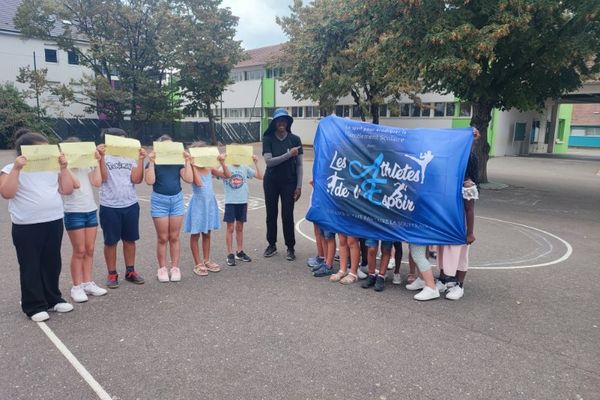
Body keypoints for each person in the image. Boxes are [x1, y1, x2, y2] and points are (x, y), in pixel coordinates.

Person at [0, 130, 76, 322]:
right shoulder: (10, 168)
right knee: (30, 265)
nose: (45, 153)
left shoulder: (52, 167)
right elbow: (7, 193)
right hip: (26, 224)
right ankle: (33, 305)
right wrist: (17, 169)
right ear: (24, 152)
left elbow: (66, 189)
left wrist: (64, 168)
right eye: (40, 150)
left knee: (52, 262)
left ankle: (53, 299)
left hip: (53, 220)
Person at [98, 128, 146, 289]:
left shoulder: (131, 156)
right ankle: (112, 273)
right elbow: (103, 178)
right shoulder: (102, 156)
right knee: (111, 241)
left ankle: (130, 271)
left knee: (130, 239)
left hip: (130, 204)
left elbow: (136, 179)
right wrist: (101, 158)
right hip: (109, 205)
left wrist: (140, 159)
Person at [62, 137, 107, 302]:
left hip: (90, 209)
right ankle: (76, 286)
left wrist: (97, 161)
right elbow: (74, 186)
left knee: (89, 249)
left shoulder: (87, 163)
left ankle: (88, 283)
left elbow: (97, 182)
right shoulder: (63, 167)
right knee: (79, 250)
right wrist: (64, 165)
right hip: (73, 211)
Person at [145, 135, 193, 282]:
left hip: (177, 199)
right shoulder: (154, 162)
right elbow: (149, 181)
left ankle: (175, 267)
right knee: (162, 237)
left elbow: (189, 178)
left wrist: (187, 161)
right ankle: (162, 268)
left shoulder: (177, 161)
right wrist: (151, 162)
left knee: (174, 236)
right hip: (159, 200)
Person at [262, 108, 304, 261]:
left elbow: (299, 165)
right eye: (279, 120)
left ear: (287, 123)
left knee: (287, 215)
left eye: (284, 120)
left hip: (289, 182)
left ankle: (290, 247)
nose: (282, 123)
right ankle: (271, 244)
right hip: (271, 182)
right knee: (271, 214)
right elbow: (269, 162)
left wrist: (299, 186)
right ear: (274, 123)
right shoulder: (268, 139)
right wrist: (288, 154)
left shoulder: (295, 139)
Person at [185, 142, 231, 276]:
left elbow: (227, 175)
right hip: (198, 204)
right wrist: (192, 165)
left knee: (207, 233)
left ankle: (207, 260)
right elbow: (198, 183)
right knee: (195, 234)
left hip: (210, 203)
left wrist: (222, 163)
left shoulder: (210, 168)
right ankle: (197, 263)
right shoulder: (192, 168)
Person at [221, 154, 263, 266]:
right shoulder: (226, 167)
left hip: (242, 201)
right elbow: (214, 174)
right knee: (230, 228)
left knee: (240, 227)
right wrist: (221, 162)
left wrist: (256, 162)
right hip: (230, 202)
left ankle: (239, 252)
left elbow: (260, 176)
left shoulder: (244, 167)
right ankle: (229, 254)